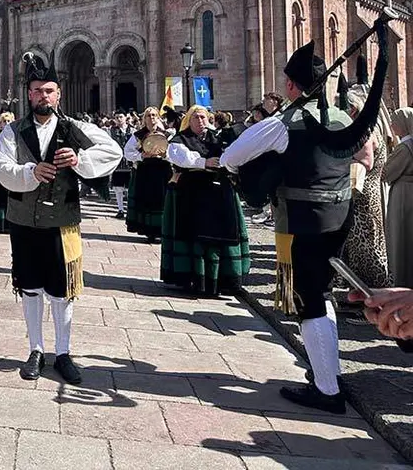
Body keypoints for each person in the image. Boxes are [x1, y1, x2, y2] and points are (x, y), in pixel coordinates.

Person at [221, 37, 382, 414]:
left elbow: (232, 156)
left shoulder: (283, 123)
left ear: (292, 86)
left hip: (300, 223)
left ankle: (327, 390)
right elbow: (366, 158)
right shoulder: (344, 118)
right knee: (321, 293)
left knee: (309, 300)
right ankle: (327, 372)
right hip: (340, 218)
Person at [0, 53, 122, 385]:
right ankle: (36, 350)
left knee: (62, 290)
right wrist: (30, 171)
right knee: (31, 288)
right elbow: (2, 169)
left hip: (62, 222)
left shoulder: (74, 127)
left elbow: (112, 152)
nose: (43, 96)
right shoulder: (13, 132)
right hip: (24, 222)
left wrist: (79, 159)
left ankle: (63, 353)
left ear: (58, 93)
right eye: (37, 91)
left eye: (49, 90)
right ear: (29, 94)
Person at [161, 106, 250, 298]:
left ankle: (223, 281)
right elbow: (181, 157)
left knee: (222, 234)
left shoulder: (218, 137)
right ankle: (196, 280)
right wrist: (204, 162)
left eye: (203, 117)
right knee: (196, 236)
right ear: (188, 120)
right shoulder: (179, 139)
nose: (200, 121)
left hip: (218, 193)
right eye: (196, 117)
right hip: (192, 193)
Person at [341, 87, 391, 289]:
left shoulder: (364, 130)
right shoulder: (370, 126)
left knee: (367, 245)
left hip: (365, 193)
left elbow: (366, 161)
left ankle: (373, 292)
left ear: (354, 109)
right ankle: (361, 292)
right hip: (367, 191)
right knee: (361, 243)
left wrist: (340, 158)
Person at [124, 107, 172, 242]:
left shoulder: (167, 134)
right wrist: (141, 155)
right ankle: (149, 232)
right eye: (148, 116)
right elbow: (127, 152)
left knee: (162, 201)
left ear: (158, 117)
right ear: (144, 119)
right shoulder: (138, 135)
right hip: (145, 171)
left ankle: (163, 230)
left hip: (163, 171)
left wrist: (165, 155)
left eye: (154, 115)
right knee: (147, 201)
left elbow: (174, 153)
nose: (152, 118)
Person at [385, 108, 413, 287]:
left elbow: (388, 172)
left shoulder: (404, 148)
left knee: (401, 237)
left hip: (403, 194)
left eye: (395, 121)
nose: (392, 125)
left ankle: (403, 280)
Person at [110, 111, 134, 219]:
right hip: (118, 164)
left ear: (125, 117)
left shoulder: (133, 130)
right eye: (117, 117)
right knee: (118, 188)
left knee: (130, 188)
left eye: (121, 117)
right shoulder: (111, 131)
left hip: (130, 163)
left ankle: (130, 209)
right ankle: (120, 209)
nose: (119, 119)